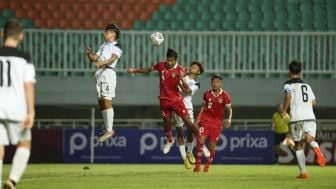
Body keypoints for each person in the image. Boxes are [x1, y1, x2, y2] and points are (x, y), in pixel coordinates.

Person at [127, 48, 210, 167]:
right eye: (168, 60)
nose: (169, 62)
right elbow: (150, 69)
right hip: (164, 100)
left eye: (171, 60)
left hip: (178, 101)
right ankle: (171, 141)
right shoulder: (162, 65)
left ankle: (201, 145)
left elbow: (187, 89)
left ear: (175, 60)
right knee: (168, 123)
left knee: (190, 126)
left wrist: (181, 78)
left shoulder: (185, 74)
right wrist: (135, 70)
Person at [0, 19, 36, 189]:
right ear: (21, 36)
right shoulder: (24, 57)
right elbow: (28, 85)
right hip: (16, 109)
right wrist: (31, 111)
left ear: (2, 34)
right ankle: (12, 180)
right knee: (24, 144)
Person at [281, 60, 326, 179]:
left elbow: (288, 95)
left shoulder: (288, 84)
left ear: (289, 71)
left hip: (297, 118)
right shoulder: (307, 85)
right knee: (309, 139)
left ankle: (303, 173)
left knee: (298, 145)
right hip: (310, 117)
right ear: (300, 71)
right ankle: (316, 147)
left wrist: (284, 110)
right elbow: (314, 102)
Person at [86, 23, 122, 142]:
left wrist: (103, 63)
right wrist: (88, 54)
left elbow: (113, 58)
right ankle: (107, 129)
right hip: (99, 73)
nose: (104, 33)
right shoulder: (103, 45)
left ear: (113, 34)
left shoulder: (117, 45)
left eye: (107, 32)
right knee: (101, 102)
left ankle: (110, 130)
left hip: (108, 72)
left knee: (107, 100)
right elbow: (94, 58)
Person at [194, 74, 232, 173]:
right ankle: (197, 166)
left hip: (216, 124)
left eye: (217, 82)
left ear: (221, 83)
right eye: (213, 82)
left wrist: (229, 119)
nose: (215, 84)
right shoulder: (206, 94)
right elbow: (203, 106)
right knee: (199, 142)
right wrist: (198, 118)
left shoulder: (225, 96)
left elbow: (229, 109)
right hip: (205, 121)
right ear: (211, 82)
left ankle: (207, 167)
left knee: (212, 147)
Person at [171, 61, 204, 169]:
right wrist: (178, 75)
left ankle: (189, 151)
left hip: (188, 107)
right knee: (179, 132)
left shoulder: (196, 83)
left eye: (195, 67)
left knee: (191, 129)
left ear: (198, 72)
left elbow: (187, 91)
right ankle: (184, 158)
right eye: (192, 66)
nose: (192, 68)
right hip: (176, 106)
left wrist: (180, 78)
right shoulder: (182, 74)